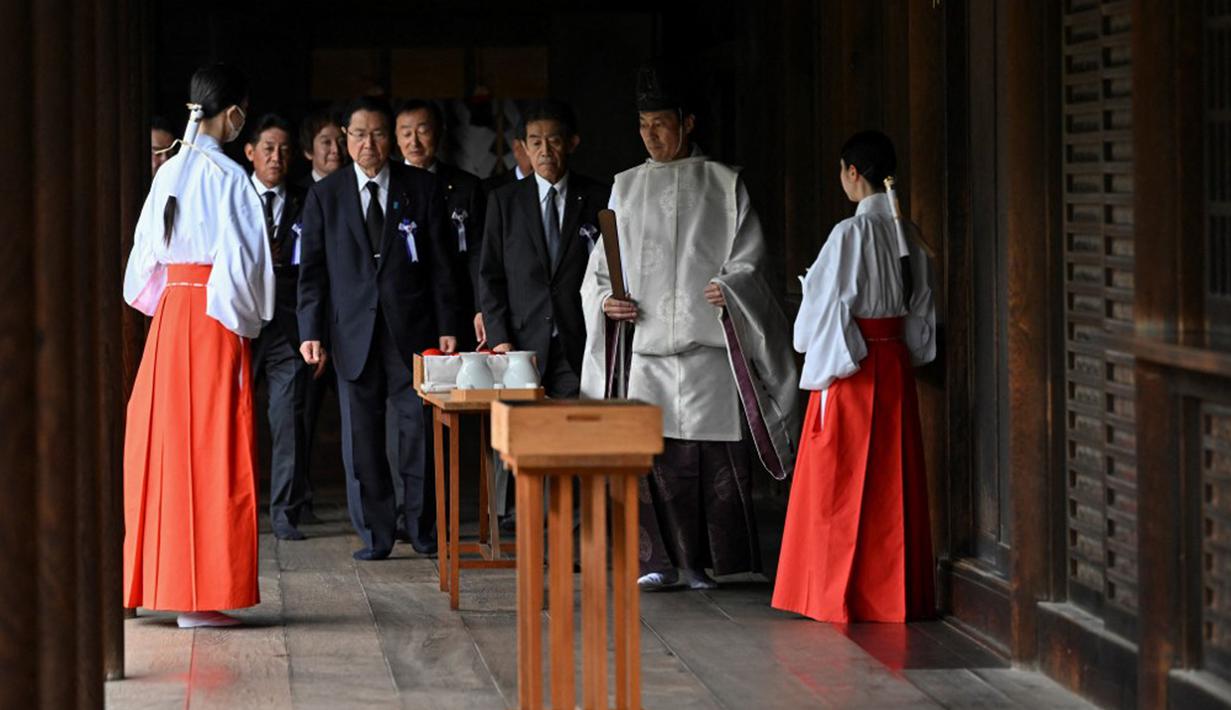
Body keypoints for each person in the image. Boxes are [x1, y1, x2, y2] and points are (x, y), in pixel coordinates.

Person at [580, 64, 800, 591]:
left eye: (660, 123)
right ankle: (655, 562)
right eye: (643, 125)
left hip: (708, 352)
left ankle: (706, 564)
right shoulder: (625, 188)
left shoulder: (726, 184)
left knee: (707, 460)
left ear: (688, 122)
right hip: (647, 353)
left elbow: (750, 263)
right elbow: (599, 271)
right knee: (651, 458)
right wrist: (608, 299)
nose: (650, 135)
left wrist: (732, 287)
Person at [122, 64, 273, 628]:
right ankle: (200, 594)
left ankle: (164, 583)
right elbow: (244, 266)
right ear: (233, 115)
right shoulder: (231, 177)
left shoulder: (168, 174)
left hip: (171, 318)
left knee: (165, 449)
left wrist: (172, 296)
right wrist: (244, 320)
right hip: (212, 317)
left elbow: (141, 269)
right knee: (215, 448)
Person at [771, 130, 936, 623]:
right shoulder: (911, 234)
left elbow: (825, 313)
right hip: (894, 364)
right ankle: (892, 595)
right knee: (891, 483)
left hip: (855, 370)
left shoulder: (850, 234)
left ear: (852, 173)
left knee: (839, 483)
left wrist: (821, 367)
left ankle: (834, 593)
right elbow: (923, 315)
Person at [297, 96, 457, 560]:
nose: (369, 144)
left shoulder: (421, 188)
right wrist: (312, 331)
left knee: (418, 433)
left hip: (412, 331)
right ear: (345, 139)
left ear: (391, 138)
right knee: (361, 439)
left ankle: (422, 529)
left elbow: (443, 266)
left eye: (379, 134)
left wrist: (448, 324)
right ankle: (376, 535)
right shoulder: (325, 195)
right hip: (351, 335)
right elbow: (313, 273)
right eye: (359, 134)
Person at [244, 113, 313, 541]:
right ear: (249, 152)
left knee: (287, 419)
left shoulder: (308, 200)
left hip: (289, 327)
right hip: (242, 326)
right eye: (268, 148)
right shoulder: (233, 198)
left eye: (284, 149)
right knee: (236, 420)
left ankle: (285, 513)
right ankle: (241, 511)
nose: (276, 156)